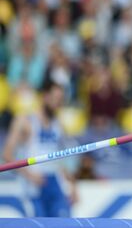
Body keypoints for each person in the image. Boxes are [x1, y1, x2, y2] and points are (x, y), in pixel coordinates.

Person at [3, 81, 78, 217]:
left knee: (65, 223)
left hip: (55, 183)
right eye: (55, 99)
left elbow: (61, 157)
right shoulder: (24, 120)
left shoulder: (58, 123)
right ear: (45, 96)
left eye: (60, 100)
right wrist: (30, 175)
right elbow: (7, 155)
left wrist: (73, 185)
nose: (58, 104)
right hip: (34, 185)